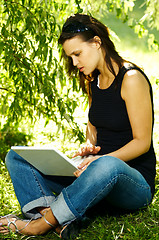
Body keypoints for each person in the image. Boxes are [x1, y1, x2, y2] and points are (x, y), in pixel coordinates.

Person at [0, 13, 156, 239]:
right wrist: (89, 148)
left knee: (107, 165)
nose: (74, 62)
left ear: (97, 42)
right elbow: (93, 126)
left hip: (133, 183)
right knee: (17, 157)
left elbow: (142, 143)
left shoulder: (131, 79)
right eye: (71, 57)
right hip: (95, 176)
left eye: (77, 54)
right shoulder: (93, 79)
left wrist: (101, 160)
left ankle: (40, 225)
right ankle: (58, 219)